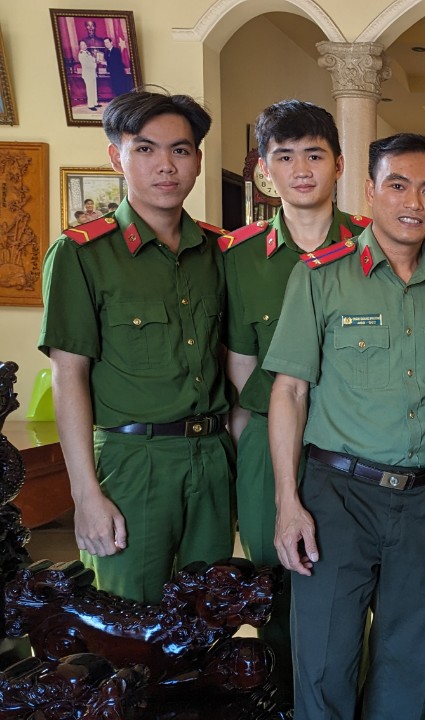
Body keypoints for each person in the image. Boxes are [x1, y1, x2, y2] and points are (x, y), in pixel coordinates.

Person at [265, 132, 425, 719]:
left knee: (408, 665)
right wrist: (287, 502)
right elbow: (290, 390)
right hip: (338, 497)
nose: (413, 202)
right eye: (398, 185)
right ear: (370, 191)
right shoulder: (321, 275)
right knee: (325, 663)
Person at [39, 90, 232, 605]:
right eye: (145, 149)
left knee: (206, 622)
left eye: (181, 150)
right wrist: (84, 494)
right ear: (116, 156)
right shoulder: (83, 255)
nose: (165, 166)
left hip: (211, 458)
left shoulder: (219, 251)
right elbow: (69, 376)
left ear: (197, 160)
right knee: (126, 622)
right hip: (131, 460)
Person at [222, 99, 370, 698]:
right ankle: (283, 703)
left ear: (338, 163)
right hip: (268, 439)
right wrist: (256, 447)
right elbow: (240, 367)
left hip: (353, 443)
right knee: (277, 581)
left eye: (314, 154)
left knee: (353, 584)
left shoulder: (373, 243)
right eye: (285, 157)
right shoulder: (238, 257)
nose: (301, 169)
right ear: (265, 170)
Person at [77, 41, 100, 111]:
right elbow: (87, 64)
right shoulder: (81, 54)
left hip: (92, 73)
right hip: (87, 74)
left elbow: (92, 60)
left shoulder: (88, 52)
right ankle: (90, 105)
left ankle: (95, 103)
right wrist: (95, 64)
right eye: (82, 45)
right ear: (80, 46)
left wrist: (96, 59)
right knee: (90, 89)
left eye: (85, 44)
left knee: (94, 88)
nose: (84, 46)